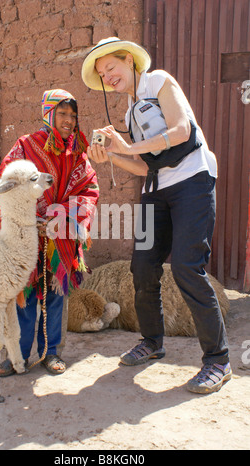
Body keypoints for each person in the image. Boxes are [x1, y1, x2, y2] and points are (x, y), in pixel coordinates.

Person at [81, 37, 231, 394]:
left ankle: (218, 360)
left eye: (111, 67)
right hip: (156, 191)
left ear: (129, 60)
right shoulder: (130, 109)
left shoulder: (160, 81)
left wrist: (128, 145)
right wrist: (111, 156)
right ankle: (152, 342)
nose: (108, 77)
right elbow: (143, 166)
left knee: (186, 266)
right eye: (102, 74)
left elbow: (181, 131)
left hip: (192, 183)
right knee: (142, 266)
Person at [0, 89, 99, 375]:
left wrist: (62, 217)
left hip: (59, 238)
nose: (69, 120)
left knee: (56, 296)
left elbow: (88, 188)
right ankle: (16, 355)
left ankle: (52, 353)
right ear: (48, 113)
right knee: (25, 296)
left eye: (73, 115)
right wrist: (31, 219)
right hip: (27, 237)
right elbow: (8, 184)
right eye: (63, 113)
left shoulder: (77, 154)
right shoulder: (25, 146)